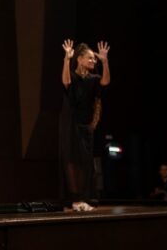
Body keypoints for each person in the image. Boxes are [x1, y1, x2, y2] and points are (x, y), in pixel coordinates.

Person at [60, 39, 110, 211]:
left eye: (93, 59)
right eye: (90, 58)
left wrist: (104, 61)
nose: (92, 61)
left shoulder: (93, 79)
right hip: (70, 124)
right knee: (72, 160)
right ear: (79, 59)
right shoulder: (73, 76)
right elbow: (65, 82)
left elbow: (105, 81)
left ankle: (84, 198)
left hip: (85, 125)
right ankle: (75, 199)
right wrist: (67, 59)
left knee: (86, 161)